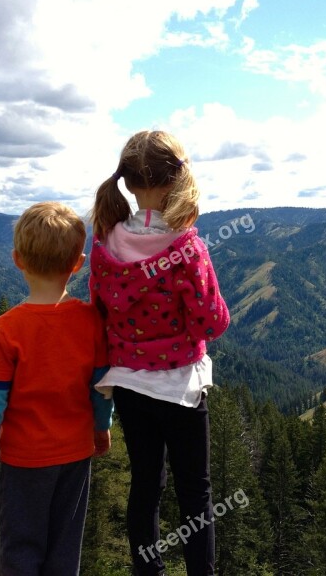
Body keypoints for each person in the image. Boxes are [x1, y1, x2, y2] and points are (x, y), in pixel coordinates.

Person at [89, 130, 230, 576]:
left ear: (128, 184)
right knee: (196, 492)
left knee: (146, 487)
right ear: (175, 181)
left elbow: (98, 312)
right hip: (181, 387)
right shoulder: (186, 247)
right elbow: (212, 322)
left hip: (129, 385)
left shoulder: (106, 244)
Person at [0, 201, 113, 576]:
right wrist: (102, 427)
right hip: (76, 455)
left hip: (24, 460)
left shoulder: (5, 331)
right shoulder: (90, 322)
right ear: (77, 263)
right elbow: (101, 386)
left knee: (21, 550)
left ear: (17, 259)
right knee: (64, 550)